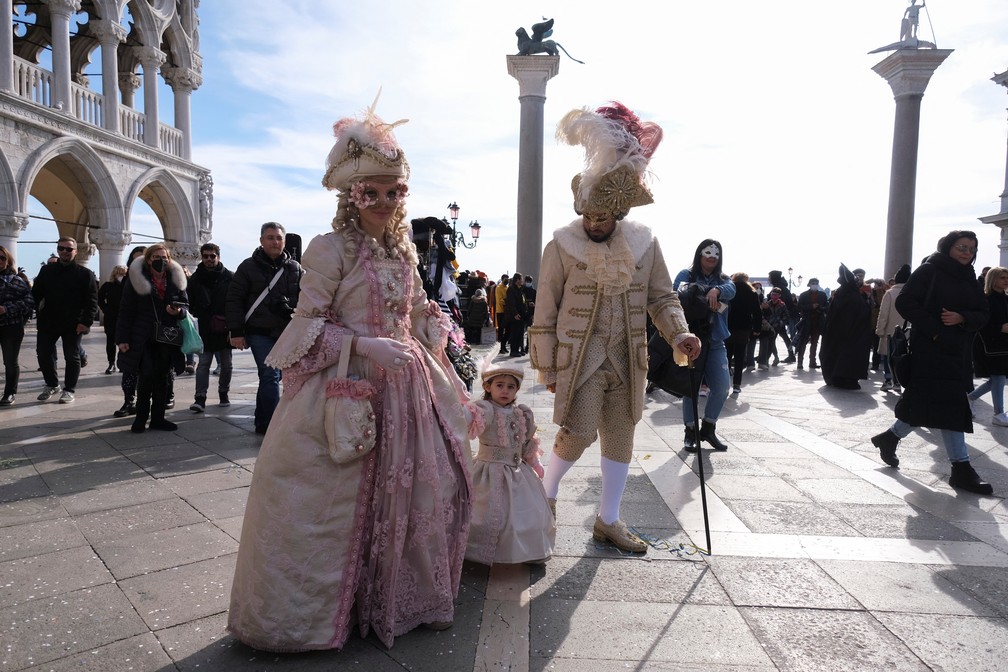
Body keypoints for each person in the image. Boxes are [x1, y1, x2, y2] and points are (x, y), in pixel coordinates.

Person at [228, 99, 473, 651]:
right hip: (350, 383)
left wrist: (433, 335)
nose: (384, 203)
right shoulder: (329, 249)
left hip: (408, 383)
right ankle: (330, 609)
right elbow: (306, 325)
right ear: (351, 196)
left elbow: (410, 313)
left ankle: (398, 597)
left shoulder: (405, 252)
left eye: (394, 193)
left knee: (426, 488)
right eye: (372, 193)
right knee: (331, 497)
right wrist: (364, 344)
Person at [530, 101, 699, 554]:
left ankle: (608, 519)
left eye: (602, 218)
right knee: (579, 432)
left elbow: (662, 296)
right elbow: (545, 309)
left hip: (628, 357)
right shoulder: (562, 245)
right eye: (588, 216)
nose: (593, 224)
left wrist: (679, 332)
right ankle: (543, 497)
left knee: (621, 439)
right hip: (580, 358)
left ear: (619, 212)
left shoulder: (646, 244)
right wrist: (547, 368)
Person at [871, 230, 993, 495]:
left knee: (927, 403)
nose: (966, 253)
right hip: (931, 349)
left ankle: (889, 438)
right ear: (948, 246)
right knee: (950, 405)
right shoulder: (930, 270)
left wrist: (962, 317)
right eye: (962, 247)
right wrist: (935, 329)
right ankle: (961, 469)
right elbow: (906, 302)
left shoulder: (970, 277)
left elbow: (983, 313)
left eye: (971, 249)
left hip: (958, 351)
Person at [465, 362, 555, 565]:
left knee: (527, 512)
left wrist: (534, 461)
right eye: (500, 385)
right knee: (488, 513)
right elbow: (467, 420)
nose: (505, 390)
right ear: (488, 387)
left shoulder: (522, 413)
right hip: (487, 471)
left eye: (510, 386)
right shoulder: (485, 410)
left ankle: (527, 551)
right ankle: (484, 551)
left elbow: (525, 443)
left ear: (517, 390)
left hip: (517, 471)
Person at [225, 222, 303, 435]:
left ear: (284, 241)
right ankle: (273, 427)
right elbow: (234, 300)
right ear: (261, 241)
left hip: (286, 332)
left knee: (276, 377)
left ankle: (263, 421)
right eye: (270, 238)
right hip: (259, 331)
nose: (275, 242)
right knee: (270, 375)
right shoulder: (248, 266)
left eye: (278, 238)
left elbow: (306, 297)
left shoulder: (294, 268)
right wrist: (237, 332)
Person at [115, 244, 188, 433]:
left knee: (163, 378)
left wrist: (178, 311)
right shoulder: (137, 279)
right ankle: (140, 418)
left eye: (164, 257)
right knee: (146, 376)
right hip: (143, 335)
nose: (161, 260)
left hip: (167, 336)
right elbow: (126, 310)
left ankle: (158, 418)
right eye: (156, 257)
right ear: (148, 260)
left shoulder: (176, 279)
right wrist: (122, 338)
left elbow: (186, 305)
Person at [675, 240, 735, 450]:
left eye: (716, 253)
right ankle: (690, 431)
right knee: (690, 388)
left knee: (721, 387)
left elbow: (731, 290)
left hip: (716, 342)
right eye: (707, 252)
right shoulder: (685, 275)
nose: (711, 256)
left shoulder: (725, 281)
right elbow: (678, 294)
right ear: (699, 253)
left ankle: (708, 428)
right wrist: (708, 295)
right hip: (692, 340)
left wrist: (716, 290)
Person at [31, 237, 98, 404]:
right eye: (61, 248)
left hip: (73, 323)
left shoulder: (85, 274)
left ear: (75, 251)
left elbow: (92, 301)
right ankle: (52, 384)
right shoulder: (47, 270)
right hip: (48, 321)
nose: (64, 252)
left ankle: (69, 389)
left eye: (69, 249)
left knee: (72, 356)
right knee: (43, 353)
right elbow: (36, 294)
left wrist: (86, 322)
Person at [187, 243, 234, 412]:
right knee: (204, 363)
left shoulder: (229, 277)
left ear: (218, 257)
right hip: (204, 327)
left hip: (224, 327)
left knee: (227, 364)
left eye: (212, 256)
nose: (209, 259)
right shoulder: (195, 279)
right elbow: (189, 302)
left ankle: (224, 393)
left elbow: (235, 302)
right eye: (205, 256)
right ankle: (200, 398)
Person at [819, 264, 871, 390]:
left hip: (839, 334)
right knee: (848, 356)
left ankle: (838, 378)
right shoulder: (851, 295)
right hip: (853, 335)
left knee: (838, 354)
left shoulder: (843, 293)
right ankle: (846, 379)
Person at [968, 265, 1008, 426]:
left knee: (997, 379)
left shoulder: (1005, 298)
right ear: (993, 279)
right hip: (989, 344)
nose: (1006, 281)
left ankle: (970, 398)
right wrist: (1000, 327)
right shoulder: (986, 299)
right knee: (998, 377)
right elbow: (980, 323)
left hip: (1003, 344)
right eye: (1002, 278)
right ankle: (998, 413)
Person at [0, 245, 35, 406]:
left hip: (11, 326)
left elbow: (29, 301)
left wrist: (7, 309)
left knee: (10, 361)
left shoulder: (16, 280)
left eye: (2, 258)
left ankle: (10, 393)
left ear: (8, 261)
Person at [113, 246, 146, 417]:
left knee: (150, 371)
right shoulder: (127, 281)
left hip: (150, 332)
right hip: (131, 331)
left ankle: (145, 402)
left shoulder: (158, 278)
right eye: (135, 258)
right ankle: (128, 401)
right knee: (128, 368)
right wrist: (122, 337)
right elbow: (124, 310)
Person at [875, 263, 911, 393]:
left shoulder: (889, 293)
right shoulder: (913, 293)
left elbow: (883, 314)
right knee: (902, 356)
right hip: (907, 332)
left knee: (888, 356)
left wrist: (879, 330)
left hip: (890, 331)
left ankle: (889, 380)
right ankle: (899, 381)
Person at [726, 272, 761, 395]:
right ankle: (736, 385)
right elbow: (757, 312)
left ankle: (724, 384)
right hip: (744, 328)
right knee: (740, 356)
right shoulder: (752, 292)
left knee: (727, 356)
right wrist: (757, 328)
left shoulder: (729, 290)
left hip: (728, 326)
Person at [97, 265, 128, 375]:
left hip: (124, 318)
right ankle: (111, 363)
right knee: (110, 341)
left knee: (124, 340)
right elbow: (99, 299)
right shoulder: (107, 286)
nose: (122, 276)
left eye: (124, 274)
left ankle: (122, 363)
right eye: (120, 274)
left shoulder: (128, 287)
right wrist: (106, 310)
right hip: (111, 318)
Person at [795, 278, 828, 370]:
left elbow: (827, 306)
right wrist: (811, 306)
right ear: (809, 284)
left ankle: (812, 362)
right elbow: (799, 307)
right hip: (807, 321)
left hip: (818, 322)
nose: (815, 285)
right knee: (803, 342)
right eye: (813, 283)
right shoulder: (803, 295)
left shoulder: (822, 295)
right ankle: (800, 362)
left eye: (816, 283)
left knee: (815, 342)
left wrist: (821, 307)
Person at [505, 272, 529, 356]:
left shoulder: (520, 289)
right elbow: (511, 303)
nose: (522, 281)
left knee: (520, 333)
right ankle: (513, 350)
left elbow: (522, 301)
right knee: (515, 333)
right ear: (517, 280)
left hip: (521, 315)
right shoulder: (511, 289)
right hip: (515, 315)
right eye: (521, 279)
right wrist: (515, 313)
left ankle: (518, 349)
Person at [495, 273, 509, 353]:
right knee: (501, 329)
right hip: (500, 311)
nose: (506, 281)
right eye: (505, 279)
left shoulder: (507, 288)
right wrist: (507, 302)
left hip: (506, 311)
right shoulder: (498, 288)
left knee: (507, 329)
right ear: (502, 279)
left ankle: (504, 346)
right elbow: (500, 300)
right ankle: (501, 347)